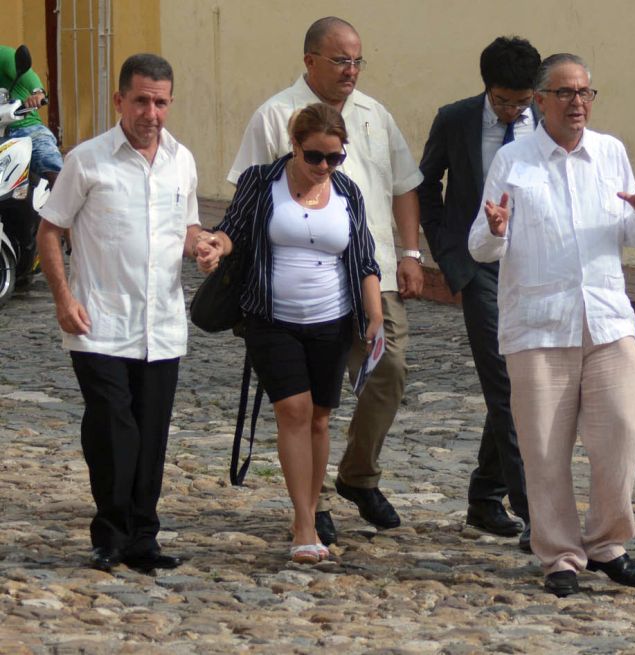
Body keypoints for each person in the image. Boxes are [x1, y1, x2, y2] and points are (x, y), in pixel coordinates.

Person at [468, 53, 635, 597]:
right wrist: (497, 228)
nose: (578, 102)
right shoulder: (514, 160)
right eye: (565, 93)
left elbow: (633, 233)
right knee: (544, 449)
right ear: (540, 100)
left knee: (623, 432)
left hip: (605, 320)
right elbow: (480, 245)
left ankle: (608, 544)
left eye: (585, 93)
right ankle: (558, 556)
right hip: (538, 326)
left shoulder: (610, 152)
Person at [228, 16, 423, 544]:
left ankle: (357, 474)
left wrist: (409, 251)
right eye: (341, 60)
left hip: (366, 269)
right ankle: (309, 509)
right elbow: (245, 200)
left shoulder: (374, 116)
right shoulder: (274, 115)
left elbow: (404, 184)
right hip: (290, 287)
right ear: (310, 60)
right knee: (306, 403)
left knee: (389, 368)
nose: (351, 70)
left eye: (358, 60)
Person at [36, 53, 216, 572]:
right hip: (99, 322)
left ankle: (143, 538)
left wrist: (203, 246)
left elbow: (185, 230)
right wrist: (63, 298)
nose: (151, 113)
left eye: (160, 102)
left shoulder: (182, 160)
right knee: (115, 430)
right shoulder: (88, 160)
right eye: (141, 100)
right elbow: (51, 229)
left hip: (160, 325)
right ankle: (110, 534)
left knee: (151, 434)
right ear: (120, 101)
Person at [201, 103, 382, 563]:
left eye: (334, 157)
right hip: (271, 317)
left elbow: (363, 259)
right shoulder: (262, 182)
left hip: (332, 320)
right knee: (294, 410)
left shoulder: (347, 192)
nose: (324, 166)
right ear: (294, 146)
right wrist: (214, 246)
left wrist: (375, 316)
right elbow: (232, 229)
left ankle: (313, 504)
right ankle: (303, 521)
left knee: (320, 417)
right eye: (315, 156)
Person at [419, 36, 541, 550]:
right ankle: (536, 512)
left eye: (522, 100)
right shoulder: (456, 119)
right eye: (503, 100)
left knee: (522, 380)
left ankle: (485, 495)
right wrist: (451, 260)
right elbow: (426, 187)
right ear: (486, 87)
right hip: (481, 269)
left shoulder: (551, 120)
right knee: (509, 384)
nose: (514, 110)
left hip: (537, 269)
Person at [0, 44, 63, 185]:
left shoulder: (3, 55)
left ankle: (68, 203)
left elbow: (28, 76)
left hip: (24, 127)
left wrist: (37, 93)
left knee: (49, 162)